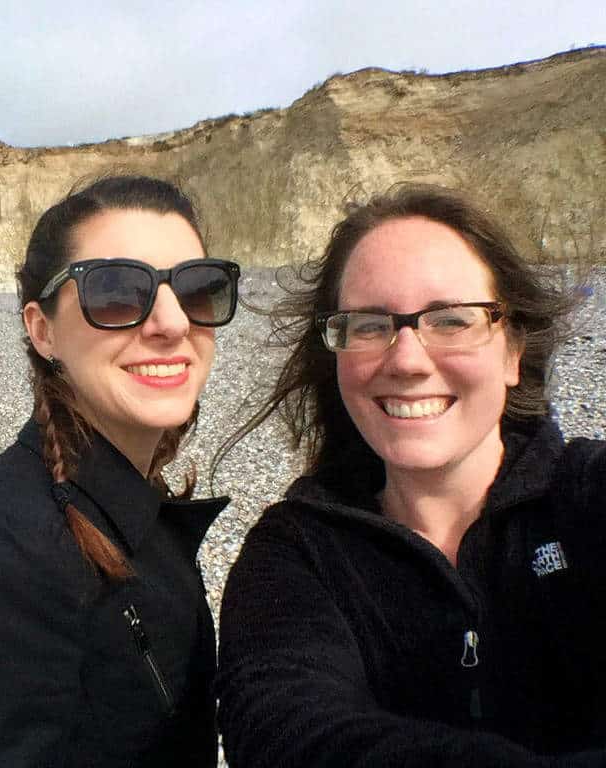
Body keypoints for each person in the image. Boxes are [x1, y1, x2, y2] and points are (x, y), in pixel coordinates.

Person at [215, 183, 606, 767]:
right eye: (369, 325)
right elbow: (285, 729)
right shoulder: (294, 556)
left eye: (451, 320)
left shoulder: (588, 497)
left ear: (512, 351)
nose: (406, 359)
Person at [0, 175, 241, 767]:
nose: (173, 323)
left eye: (197, 289)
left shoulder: (130, 498)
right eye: (115, 292)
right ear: (43, 330)